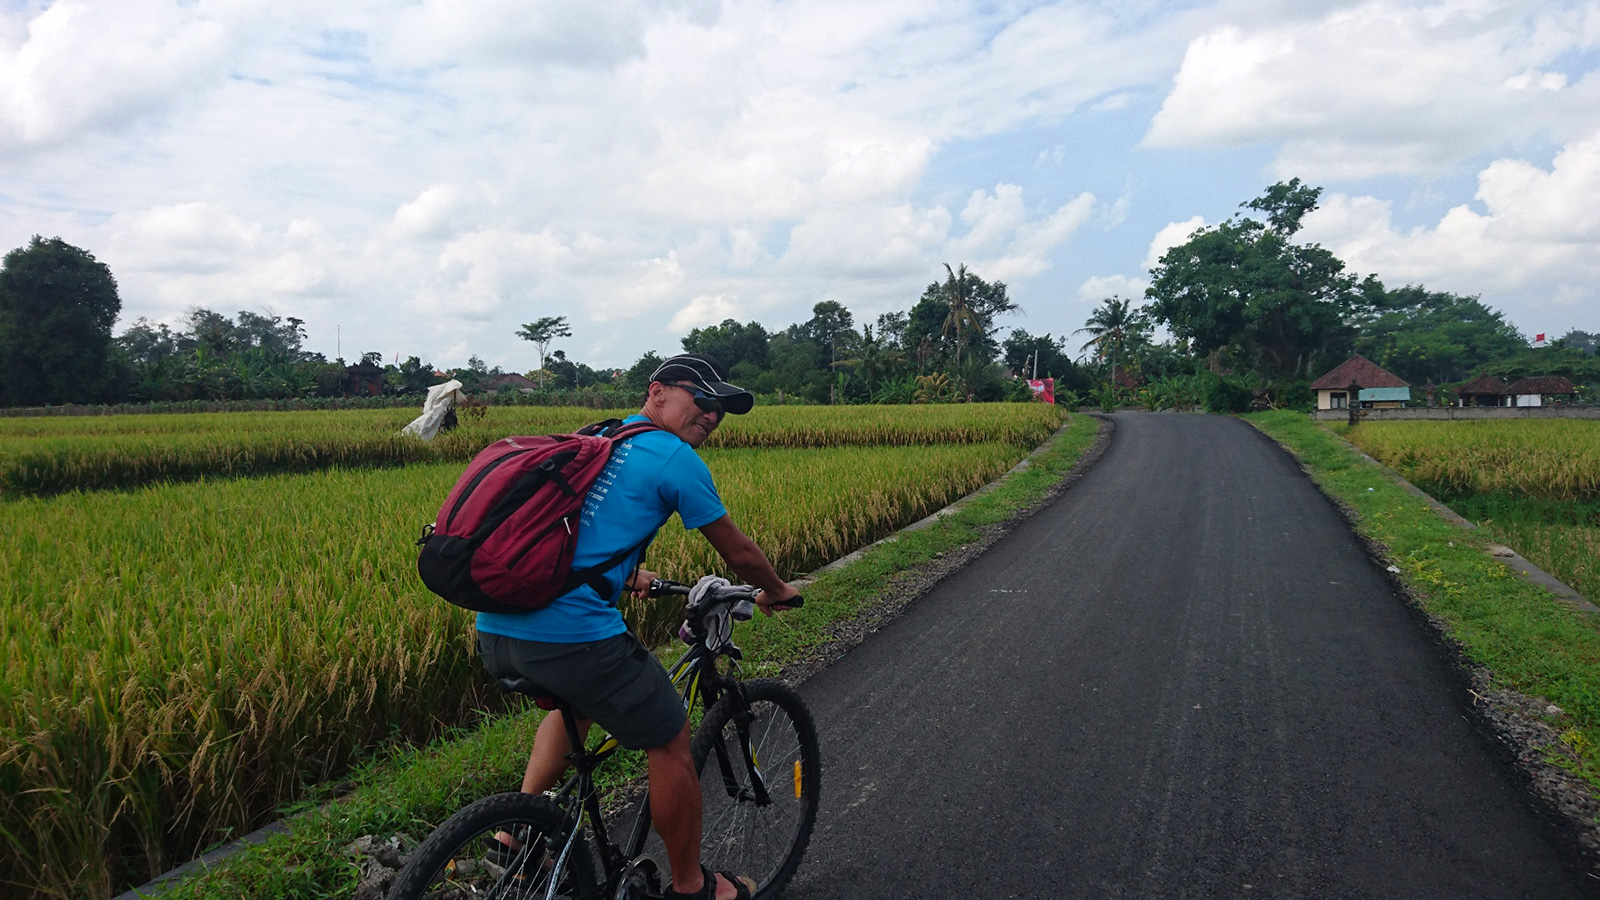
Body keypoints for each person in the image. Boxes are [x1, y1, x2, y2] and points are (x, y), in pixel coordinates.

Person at [474, 353, 803, 900]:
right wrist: (776, 589)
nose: (712, 415)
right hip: (567, 634)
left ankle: (516, 838)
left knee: (573, 705)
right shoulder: (673, 458)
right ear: (657, 393)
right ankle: (693, 887)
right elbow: (738, 552)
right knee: (671, 735)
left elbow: (568, 534)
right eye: (701, 399)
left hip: (497, 626)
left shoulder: (597, 438)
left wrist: (625, 573)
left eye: (719, 408)